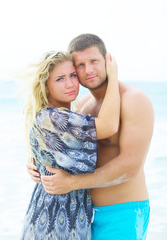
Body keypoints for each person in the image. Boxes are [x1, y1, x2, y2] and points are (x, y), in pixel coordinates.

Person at [27, 34, 154, 240]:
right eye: (80, 65)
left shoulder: (133, 100)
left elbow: (130, 166)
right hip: (84, 218)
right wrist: (36, 162)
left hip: (122, 213)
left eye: (94, 61)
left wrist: (72, 183)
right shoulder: (83, 105)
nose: (88, 70)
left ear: (107, 60)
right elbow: (64, 146)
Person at [21, 50, 120, 239]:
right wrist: (113, 77)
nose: (70, 84)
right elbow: (109, 126)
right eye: (60, 79)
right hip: (55, 225)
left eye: (73, 76)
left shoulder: (51, 115)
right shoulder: (54, 117)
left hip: (62, 217)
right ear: (46, 85)